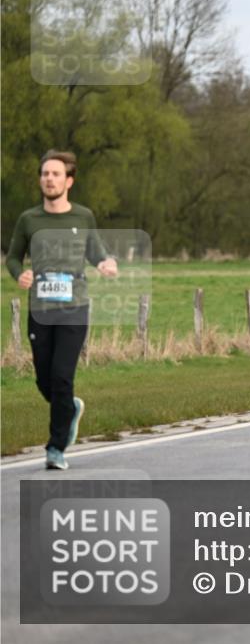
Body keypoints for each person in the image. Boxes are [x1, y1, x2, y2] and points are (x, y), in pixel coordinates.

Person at [5, 150, 117, 469]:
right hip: (40, 309)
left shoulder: (83, 216)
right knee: (44, 380)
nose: (48, 179)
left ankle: (56, 448)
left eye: (55, 174)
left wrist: (106, 263)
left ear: (69, 181)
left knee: (62, 376)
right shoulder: (29, 219)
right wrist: (19, 273)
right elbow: (13, 257)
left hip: (74, 307)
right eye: (44, 174)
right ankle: (69, 408)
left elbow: (96, 252)